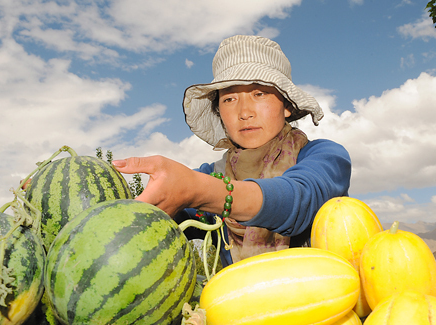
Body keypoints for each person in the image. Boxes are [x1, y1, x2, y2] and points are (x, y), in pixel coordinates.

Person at [113, 35, 351, 267]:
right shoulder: (211, 174)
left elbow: (297, 200)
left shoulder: (325, 157)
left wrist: (203, 192)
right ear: (219, 111)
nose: (244, 112)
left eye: (259, 94)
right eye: (229, 99)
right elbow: (160, 223)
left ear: (287, 105)